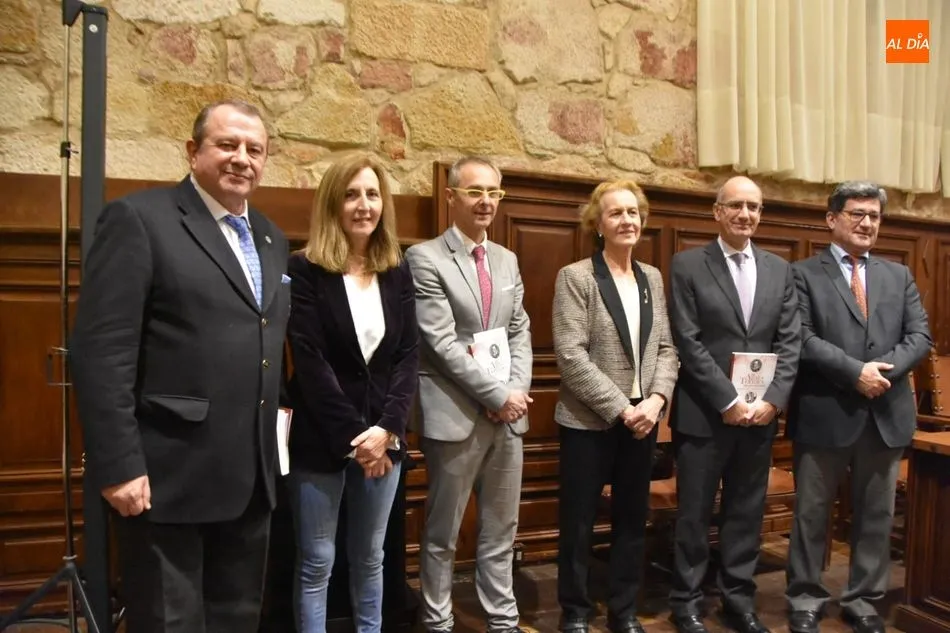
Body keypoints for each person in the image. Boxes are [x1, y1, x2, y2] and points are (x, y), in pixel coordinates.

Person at [70, 100, 289, 633]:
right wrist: (118, 462)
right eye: (227, 145)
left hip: (250, 477)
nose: (242, 158)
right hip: (167, 476)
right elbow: (102, 351)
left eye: (254, 150)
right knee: (171, 623)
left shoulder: (270, 237)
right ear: (193, 152)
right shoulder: (141, 220)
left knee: (236, 619)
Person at [785, 182, 932, 633]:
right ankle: (805, 597)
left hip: (885, 414)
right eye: (857, 214)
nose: (867, 223)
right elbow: (803, 338)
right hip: (825, 411)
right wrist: (855, 372)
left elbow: (920, 337)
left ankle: (864, 599)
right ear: (832, 219)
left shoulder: (898, 275)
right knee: (812, 513)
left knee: (876, 514)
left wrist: (882, 373)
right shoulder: (803, 274)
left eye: (874, 215)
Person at [284, 152, 419, 633]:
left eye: (372, 193)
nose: (364, 205)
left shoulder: (397, 268)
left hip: (385, 440)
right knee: (317, 561)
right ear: (332, 203)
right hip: (323, 440)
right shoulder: (304, 270)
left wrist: (387, 430)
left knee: (370, 557)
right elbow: (310, 361)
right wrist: (358, 440)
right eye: (351, 194)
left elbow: (407, 356)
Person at [405, 156, 533, 633]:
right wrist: (497, 393)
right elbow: (438, 343)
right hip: (455, 412)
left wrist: (516, 391)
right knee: (443, 532)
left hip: (508, 415)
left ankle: (503, 618)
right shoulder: (425, 258)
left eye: (494, 193)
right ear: (452, 197)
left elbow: (519, 328)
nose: (486, 201)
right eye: (475, 191)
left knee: (501, 529)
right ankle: (437, 619)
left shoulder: (507, 259)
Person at [667, 176, 801, 633]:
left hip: (759, 417)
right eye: (737, 206)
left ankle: (738, 600)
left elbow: (790, 341)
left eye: (755, 207)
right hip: (705, 414)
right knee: (694, 514)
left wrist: (773, 402)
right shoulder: (687, 265)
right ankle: (685, 601)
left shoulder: (780, 269)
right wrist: (727, 398)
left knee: (746, 511)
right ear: (717, 212)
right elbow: (688, 341)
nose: (747, 214)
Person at [551, 179, 679, 633]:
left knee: (631, 521)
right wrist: (623, 409)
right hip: (591, 421)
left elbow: (666, 348)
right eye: (616, 213)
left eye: (633, 212)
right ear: (598, 223)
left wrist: (657, 400)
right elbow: (570, 355)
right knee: (579, 523)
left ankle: (624, 611)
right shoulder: (577, 277)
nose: (627, 220)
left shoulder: (652, 278)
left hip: (644, 421)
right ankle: (576, 612)